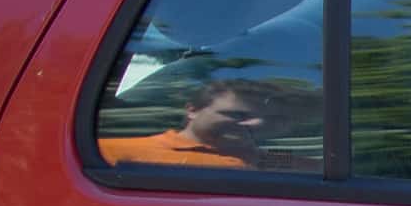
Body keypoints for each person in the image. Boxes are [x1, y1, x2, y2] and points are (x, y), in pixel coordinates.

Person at [98, 74, 322, 171]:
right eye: (236, 115)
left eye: (271, 119)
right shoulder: (114, 151)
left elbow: (333, 179)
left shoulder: (273, 160)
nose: (255, 124)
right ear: (192, 110)